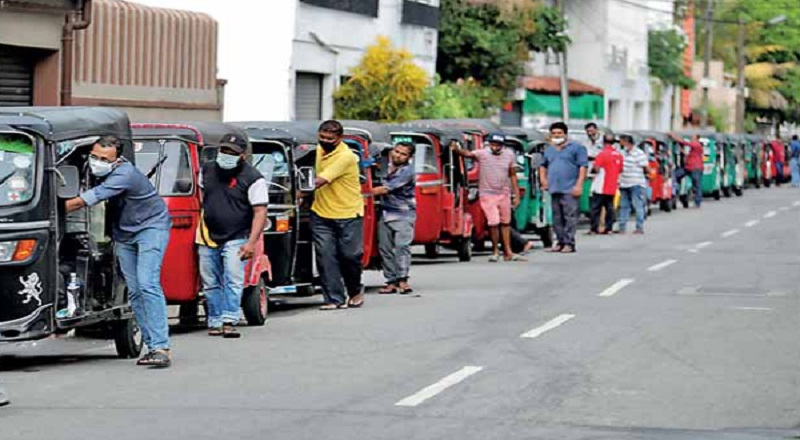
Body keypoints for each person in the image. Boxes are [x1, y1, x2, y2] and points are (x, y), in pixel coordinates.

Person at [65, 136, 172, 368]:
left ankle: (161, 347)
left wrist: (45, 209)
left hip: (150, 227)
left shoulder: (125, 174)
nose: (97, 162)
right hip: (124, 232)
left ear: (117, 160)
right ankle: (152, 344)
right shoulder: (89, 167)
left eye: (104, 159)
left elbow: (86, 200)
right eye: (94, 156)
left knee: (147, 284)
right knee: (134, 291)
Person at [197, 133, 268, 338]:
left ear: (242, 155)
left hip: (238, 236)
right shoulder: (207, 169)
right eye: (224, 150)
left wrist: (251, 243)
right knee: (210, 281)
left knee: (233, 279)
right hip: (207, 236)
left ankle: (230, 319)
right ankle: (215, 320)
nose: (226, 155)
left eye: (232, 153)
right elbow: (203, 196)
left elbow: (260, 212)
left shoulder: (253, 178)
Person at [310, 120, 365, 310]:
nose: (324, 141)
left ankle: (355, 290)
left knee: (350, 256)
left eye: (329, 139)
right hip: (321, 213)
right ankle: (334, 298)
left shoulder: (345, 156)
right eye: (322, 137)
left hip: (348, 213)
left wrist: (300, 190)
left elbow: (320, 180)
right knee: (325, 257)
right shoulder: (317, 150)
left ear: (339, 138)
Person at [453, 133, 524, 262]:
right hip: (487, 193)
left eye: (498, 145)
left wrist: (516, 195)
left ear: (502, 145)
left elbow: (512, 175)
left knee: (505, 223)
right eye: (493, 144)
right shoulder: (482, 154)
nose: (495, 147)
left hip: (504, 193)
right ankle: (495, 250)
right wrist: (456, 149)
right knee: (493, 222)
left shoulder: (509, 155)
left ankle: (507, 251)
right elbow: (468, 154)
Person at [373, 142, 416, 294]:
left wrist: (357, 192)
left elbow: (385, 188)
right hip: (385, 213)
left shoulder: (407, 171)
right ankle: (391, 281)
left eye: (403, 154)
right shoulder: (385, 167)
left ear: (409, 157)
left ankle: (403, 280)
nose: (398, 155)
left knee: (402, 248)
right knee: (384, 249)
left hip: (403, 215)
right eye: (396, 151)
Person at [540, 122, 588, 253]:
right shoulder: (549, 150)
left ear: (565, 134)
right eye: (554, 133)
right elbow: (543, 166)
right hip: (554, 188)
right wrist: (543, 180)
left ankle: (569, 243)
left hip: (570, 188)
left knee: (570, 217)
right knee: (556, 218)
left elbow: (583, 167)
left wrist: (579, 185)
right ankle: (560, 242)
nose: (557, 135)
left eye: (559, 133)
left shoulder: (577, 148)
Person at [589, 134, 623, 234]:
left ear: (603, 142)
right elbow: (621, 169)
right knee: (610, 207)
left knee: (595, 208)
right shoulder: (618, 155)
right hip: (612, 185)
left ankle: (594, 228)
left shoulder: (602, 154)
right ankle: (608, 228)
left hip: (600, 185)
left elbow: (596, 168)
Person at [618, 135, 649, 234]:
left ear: (627, 142)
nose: (620, 144)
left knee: (637, 205)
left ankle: (639, 227)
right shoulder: (622, 153)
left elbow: (646, 168)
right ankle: (622, 227)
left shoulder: (639, 153)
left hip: (636, 183)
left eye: (621, 141)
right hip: (623, 183)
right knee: (624, 206)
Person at [670, 133, 704, 208]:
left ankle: (697, 202)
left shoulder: (697, 144)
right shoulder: (694, 149)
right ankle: (675, 193)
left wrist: (674, 137)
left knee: (696, 185)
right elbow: (691, 156)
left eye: (693, 137)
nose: (691, 138)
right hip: (688, 167)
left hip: (696, 168)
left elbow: (685, 143)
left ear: (697, 138)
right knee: (675, 175)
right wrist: (684, 153)